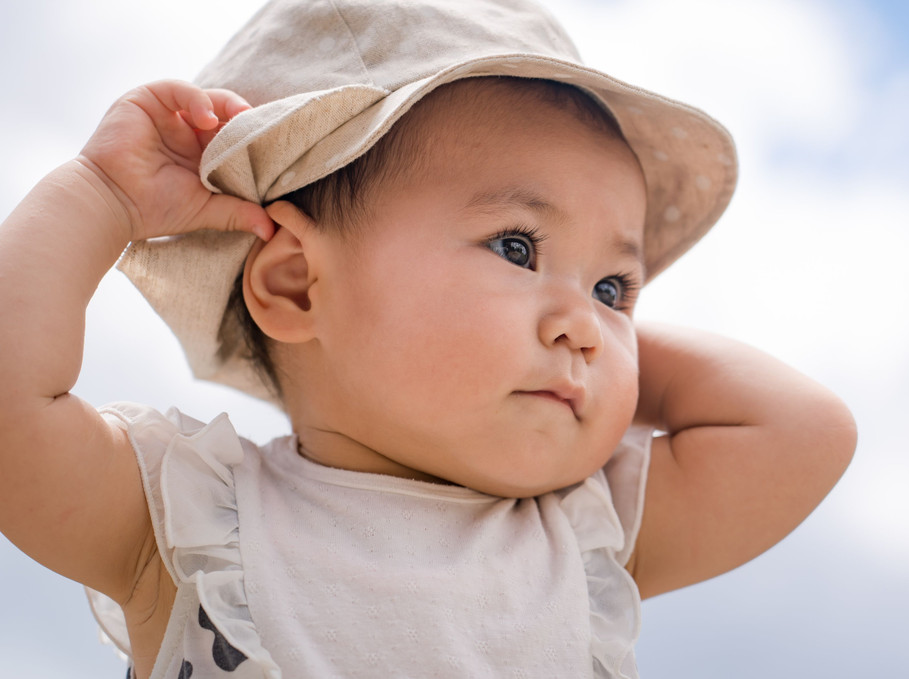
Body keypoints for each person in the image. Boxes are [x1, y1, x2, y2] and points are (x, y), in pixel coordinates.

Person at [0, 0, 856, 677]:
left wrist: (592, 339)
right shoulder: (193, 524)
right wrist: (98, 196)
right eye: (517, 248)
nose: (584, 325)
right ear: (297, 282)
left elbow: (805, 431)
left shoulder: (582, 538)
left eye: (613, 287)